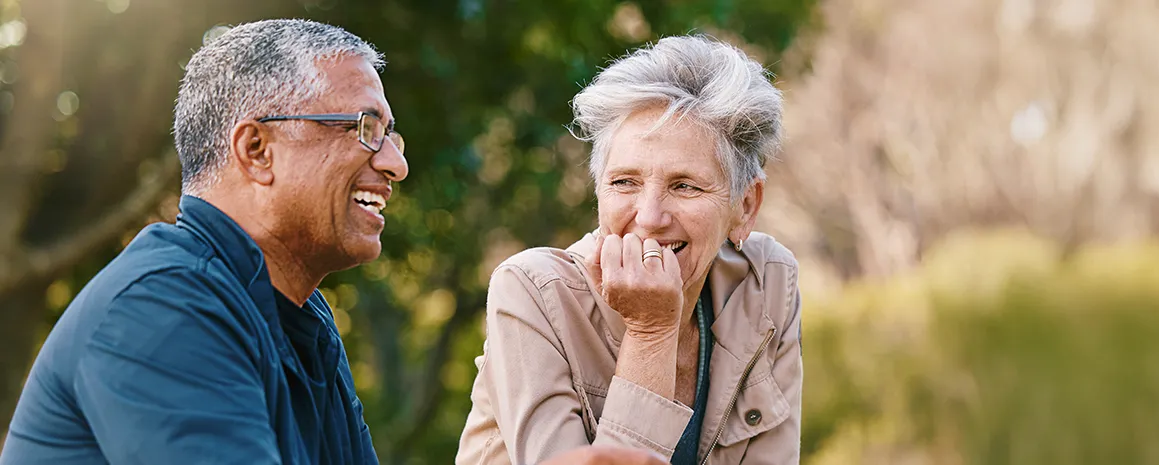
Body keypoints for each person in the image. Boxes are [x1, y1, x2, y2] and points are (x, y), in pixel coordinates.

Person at [0, 19, 664, 465]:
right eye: (364, 127)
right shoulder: (161, 308)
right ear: (257, 149)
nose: (396, 164)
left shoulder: (299, 318)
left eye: (392, 134)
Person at [456, 35, 802, 465]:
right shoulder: (532, 292)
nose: (650, 217)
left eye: (685, 186)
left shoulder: (767, 282)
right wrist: (651, 331)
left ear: (745, 206)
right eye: (624, 182)